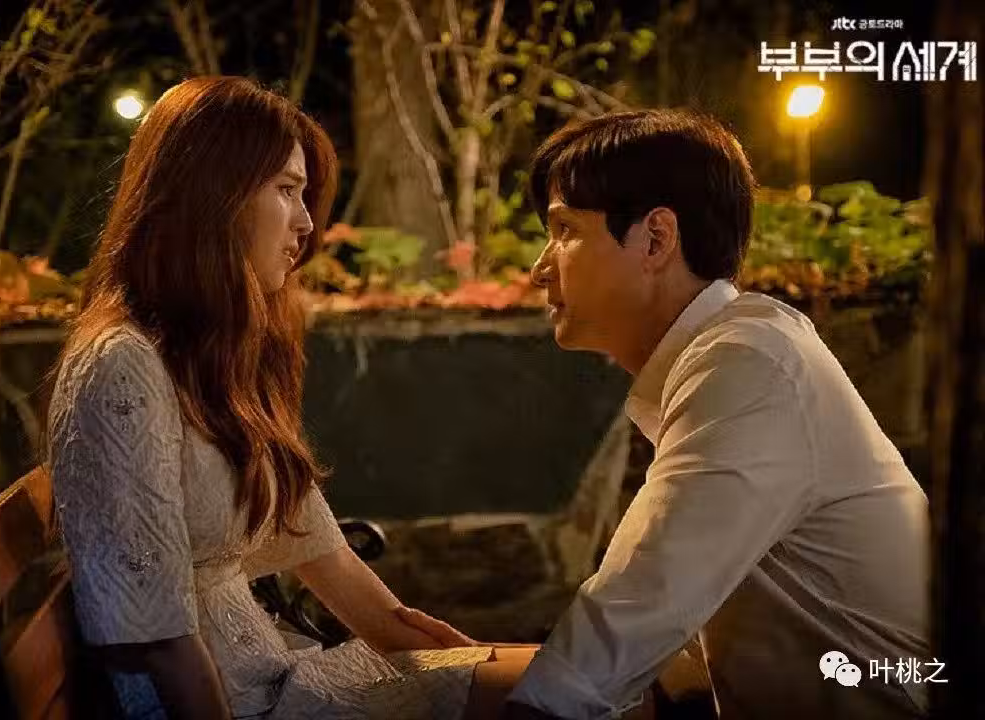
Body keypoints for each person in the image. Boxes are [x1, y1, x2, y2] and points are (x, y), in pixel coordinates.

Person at [46, 75, 534, 720]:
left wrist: (455, 660)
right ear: (213, 196)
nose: (306, 223)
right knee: (591, 692)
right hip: (243, 706)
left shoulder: (201, 356)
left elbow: (323, 554)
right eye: (286, 190)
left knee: (583, 682)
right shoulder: (122, 364)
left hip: (279, 678)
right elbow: (159, 638)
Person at [503, 110, 929, 719]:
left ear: (656, 238)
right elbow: (672, 649)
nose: (540, 267)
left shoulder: (749, 361)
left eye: (564, 229)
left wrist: (532, 704)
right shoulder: (735, 352)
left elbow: (640, 600)